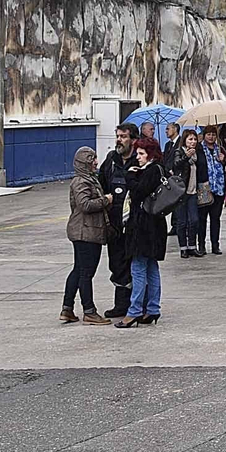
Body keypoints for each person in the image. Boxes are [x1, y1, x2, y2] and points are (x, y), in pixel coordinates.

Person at [117, 137, 167, 328]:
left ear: (150, 154)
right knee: (152, 268)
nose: (137, 157)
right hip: (153, 226)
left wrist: (130, 176)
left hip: (144, 227)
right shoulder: (156, 169)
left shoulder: (152, 171)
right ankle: (152, 309)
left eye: (141, 154)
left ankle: (134, 311)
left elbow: (138, 193)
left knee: (138, 269)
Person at [61, 146, 113, 325]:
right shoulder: (81, 182)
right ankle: (89, 311)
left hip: (87, 230)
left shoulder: (89, 179)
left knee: (78, 269)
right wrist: (106, 200)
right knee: (86, 272)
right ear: (85, 163)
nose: (96, 162)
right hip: (85, 232)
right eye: (92, 159)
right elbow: (85, 205)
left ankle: (67, 308)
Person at [99, 124, 138, 318]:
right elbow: (101, 185)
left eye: (123, 136)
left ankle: (138, 304)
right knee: (116, 264)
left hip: (135, 224)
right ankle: (121, 305)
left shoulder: (140, 159)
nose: (119, 140)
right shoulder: (111, 161)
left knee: (135, 265)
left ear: (133, 139)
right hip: (114, 224)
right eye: (118, 136)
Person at [171, 130, 205, 258]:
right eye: (190, 139)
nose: (193, 142)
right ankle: (183, 248)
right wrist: (186, 157)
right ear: (184, 140)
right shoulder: (179, 152)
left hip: (193, 191)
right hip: (181, 191)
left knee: (194, 220)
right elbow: (176, 165)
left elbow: (202, 168)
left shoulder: (198, 153)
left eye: (195, 139)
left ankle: (192, 246)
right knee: (182, 221)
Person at [198, 128, 225, 255]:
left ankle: (215, 245)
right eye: (208, 134)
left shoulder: (220, 149)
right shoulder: (199, 149)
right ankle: (201, 245)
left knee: (215, 218)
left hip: (218, 188)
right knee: (202, 218)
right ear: (204, 136)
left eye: (213, 134)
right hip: (204, 188)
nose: (211, 137)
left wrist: (223, 160)